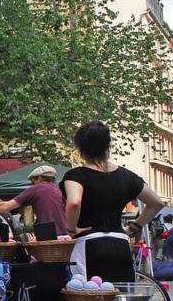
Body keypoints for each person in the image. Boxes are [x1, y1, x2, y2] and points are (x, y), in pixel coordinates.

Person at [61, 121, 163, 282]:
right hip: (121, 245)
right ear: (108, 145)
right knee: (121, 300)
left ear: (80, 147)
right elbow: (156, 203)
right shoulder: (127, 176)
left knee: (89, 299)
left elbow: (74, 202)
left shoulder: (76, 175)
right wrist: (133, 227)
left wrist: (71, 229)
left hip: (89, 245)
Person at [0, 165, 68, 236]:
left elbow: (5, 207)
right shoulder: (58, 190)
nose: (32, 184)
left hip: (50, 235)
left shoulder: (37, 189)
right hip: (66, 235)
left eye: (32, 182)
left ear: (39, 178)